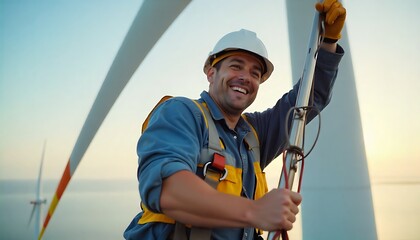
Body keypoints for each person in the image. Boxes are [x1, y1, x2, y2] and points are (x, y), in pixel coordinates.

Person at [124, 0, 346, 239]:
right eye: (236, 66)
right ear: (211, 72)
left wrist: (328, 43)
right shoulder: (182, 113)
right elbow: (168, 191)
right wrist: (255, 211)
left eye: (255, 73)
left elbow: (308, 100)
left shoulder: (254, 135)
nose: (245, 78)